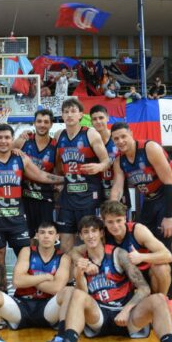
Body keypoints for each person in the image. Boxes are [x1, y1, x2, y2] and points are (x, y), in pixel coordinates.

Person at [44, 216, 172, 342]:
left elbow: (144, 288)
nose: (90, 236)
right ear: (80, 236)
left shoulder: (119, 254)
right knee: (77, 294)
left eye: (94, 231)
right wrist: (79, 274)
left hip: (126, 316)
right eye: (86, 232)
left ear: (101, 233)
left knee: (158, 298)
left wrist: (127, 310)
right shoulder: (81, 261)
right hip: (99, 316)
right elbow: (83, 296)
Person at [0, 124, 65, 291]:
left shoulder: (21, 159)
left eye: (7, 137)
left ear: (12, 139)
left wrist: (66, 179)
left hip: (17, 219)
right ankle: (3, 292)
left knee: (26, 255)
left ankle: (29, 292)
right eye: (0, 138)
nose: (3, 141)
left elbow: (41, 175)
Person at [0, 222, 75, 342]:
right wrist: (45, 277)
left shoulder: (64, 258)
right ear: (37, 235)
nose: (46, 236)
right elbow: (17, 281)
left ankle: (62, 338)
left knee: (69, 291)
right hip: (22, 306)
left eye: (50, 233)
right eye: (42, 233)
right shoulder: (27, 251)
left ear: (57, 237)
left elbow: (57, 288)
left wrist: (29, 278)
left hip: (48, 308)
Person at [110, 122, 172, 305]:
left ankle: (169, 298)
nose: (120, 141)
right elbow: (117, 187)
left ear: (131, 134)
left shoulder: (150, 148)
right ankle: (148, 292)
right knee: (142, 244)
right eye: (116, 139)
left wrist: (168, 216)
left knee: (165, 247)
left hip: (168, 198)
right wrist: (110, 209)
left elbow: (170, 182)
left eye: (123, 136)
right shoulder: (119, 161)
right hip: (149, 200)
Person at [54, 98, 109, 253]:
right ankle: (69, 270)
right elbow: (57, 163)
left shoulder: (90, 133)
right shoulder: (58, 135)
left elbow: (106, 161)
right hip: (68, 197)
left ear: (80, 115)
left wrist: (99, 166)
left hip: (88, 196)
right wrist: (59, 180)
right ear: (62, 116)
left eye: (73, 111)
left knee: (93, 240)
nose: (69, 115)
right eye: (66, 112)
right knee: (65, 244)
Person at [100, 200, 172, 299]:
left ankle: (162, 300)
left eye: (118, 220)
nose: (115, 226)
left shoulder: (138, 230)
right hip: (120, 276)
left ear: (125, 218)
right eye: (110, 222)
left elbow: (168, 256)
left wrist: (141, 257)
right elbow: (82, 250)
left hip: (143, 273)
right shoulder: (102, 235)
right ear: (104, 222)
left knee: (162, 268)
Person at [13, 109, 58, 237]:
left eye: (46, 122)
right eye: (39, 121)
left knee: (44, 236)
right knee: (27, 237)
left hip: (45, 198)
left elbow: (58, 172)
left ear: (51, 124)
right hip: (24, 197)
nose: (42, 125)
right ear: (34, 123)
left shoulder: (55, 146)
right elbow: (3, 155)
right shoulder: (23, 141)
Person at [89, 105, 131, 207]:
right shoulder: (89, 140)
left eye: (101, 118)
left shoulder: (118, 139)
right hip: (97, 187)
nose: (98, 121)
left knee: (119, 215)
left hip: (118, 184)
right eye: (94, 119)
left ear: (107, 117)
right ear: (91, 122)